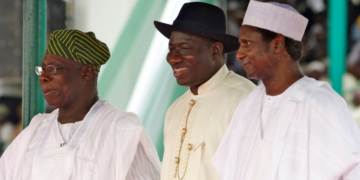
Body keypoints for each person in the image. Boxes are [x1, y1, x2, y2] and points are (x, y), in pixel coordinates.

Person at [212, 1, 360, 179]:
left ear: (277, 44)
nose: (239, 54)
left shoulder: (320, 103)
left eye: (247, 44)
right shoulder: (247, 103)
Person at [0, 29, 161, 180]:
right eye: (42, 70)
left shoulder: (122, 129)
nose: (43, 77)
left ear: (87, 72)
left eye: (53, 69)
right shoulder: (34, 132)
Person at [154, 2, 255, 180]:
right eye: (171, 49)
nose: (173, 58)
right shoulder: (175, 109)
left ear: (215, 50)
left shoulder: (244, 99)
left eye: (185, 48)